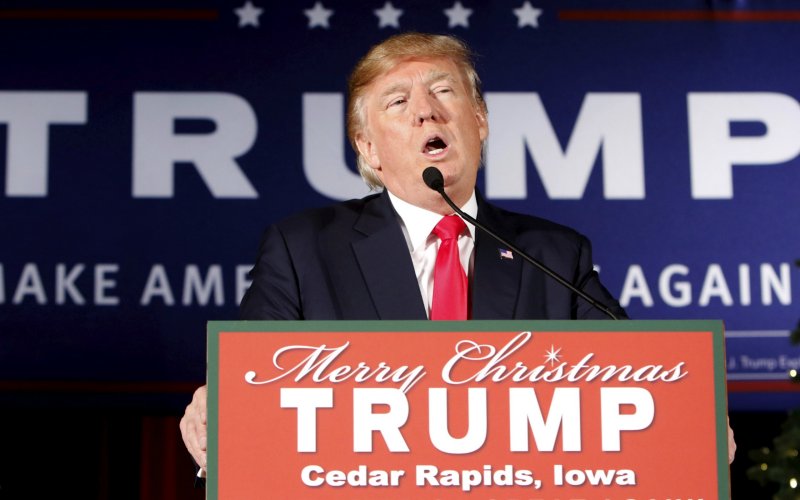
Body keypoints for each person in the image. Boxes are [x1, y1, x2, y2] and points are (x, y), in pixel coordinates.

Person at [180, 32, 734, 472]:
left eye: (444, 92)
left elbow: (632, 371)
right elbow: (252, 378)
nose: (427, 112)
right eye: (398, 102)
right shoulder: (304, 248)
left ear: (480, 121)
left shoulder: (554, 253)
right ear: (368, 149)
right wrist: (218, 395)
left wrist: (687, 415)